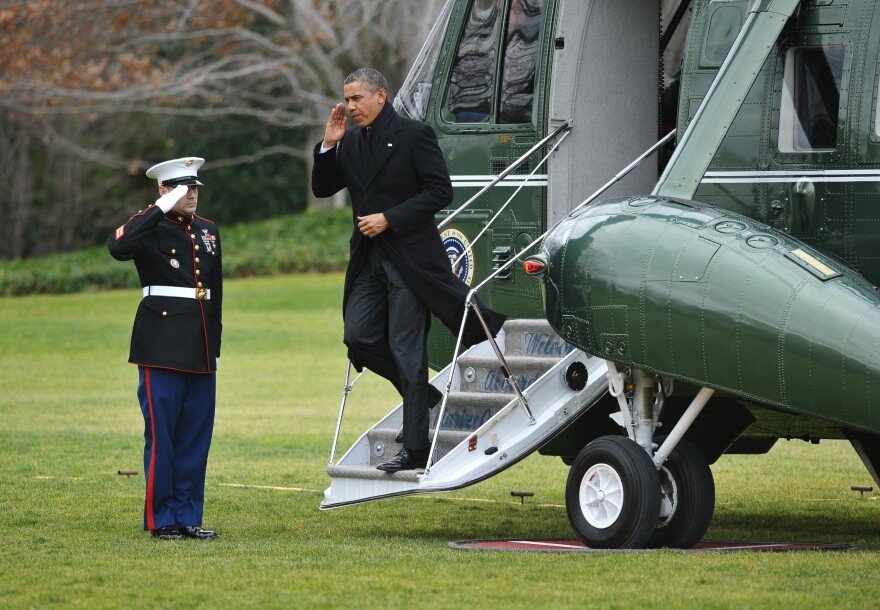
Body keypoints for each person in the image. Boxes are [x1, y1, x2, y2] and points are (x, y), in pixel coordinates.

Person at [311, 68, 506, 472]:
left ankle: (416, 449)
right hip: (368, 260)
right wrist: (327, 147)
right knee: (358, 337)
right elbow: (323, 188)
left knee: (406, 349)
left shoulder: (414, 135)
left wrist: (390, 218)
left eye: (357, 99)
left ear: (380, 96)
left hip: (411, 261)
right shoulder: (347, 141)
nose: (350, 107)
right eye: (346, 100)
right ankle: (422, 396)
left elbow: (440, 191)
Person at [108, 157, 222, 540]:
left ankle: (189, 516)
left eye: (193, 188)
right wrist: (159, 207)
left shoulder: (208, 230)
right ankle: (162, 519)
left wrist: (215, 344)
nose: (191, 194)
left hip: (200, 344)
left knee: (194, 437)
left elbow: (214, 292)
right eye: (181, 188)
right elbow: (118, 248)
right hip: (160, 344)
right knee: (163, 436)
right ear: (164, 190)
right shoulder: (149, 227)